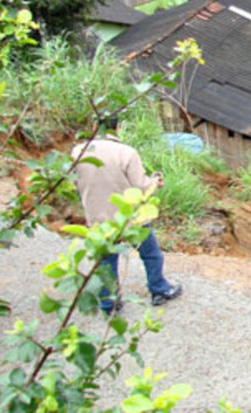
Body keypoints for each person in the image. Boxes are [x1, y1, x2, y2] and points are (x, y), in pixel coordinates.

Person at [71, 120, 183, 314]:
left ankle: (108, 303)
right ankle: (159, 289)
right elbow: (141, 186)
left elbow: (74, 184)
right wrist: (155, 181)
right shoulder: (126, 152)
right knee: (150, 254)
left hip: (97, 218)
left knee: (106, 262)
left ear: (93, 127)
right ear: (116, 128)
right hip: (129, 218)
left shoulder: (78, 152)